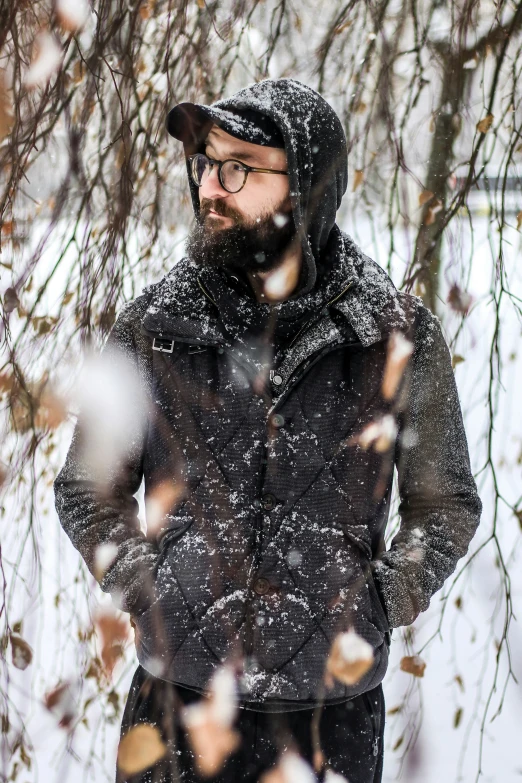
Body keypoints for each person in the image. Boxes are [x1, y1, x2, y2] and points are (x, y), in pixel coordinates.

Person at [54, 78, 482, 783]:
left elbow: (446, 503)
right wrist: (147, 587)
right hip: (177, 705)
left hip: (329, 720)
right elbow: (84, 488)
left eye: (238, 168)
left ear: (307, 188)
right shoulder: (152, 328)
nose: (210, 189)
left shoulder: (394, 335)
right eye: (204, 165)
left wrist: (386, 597)